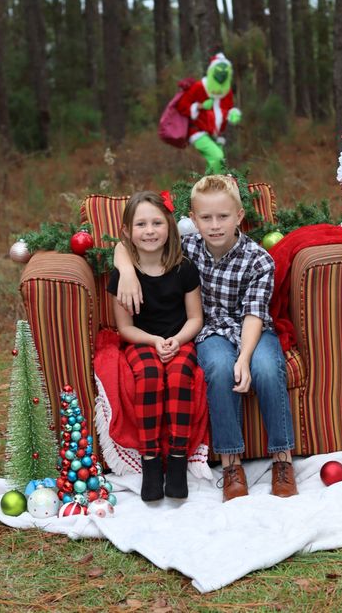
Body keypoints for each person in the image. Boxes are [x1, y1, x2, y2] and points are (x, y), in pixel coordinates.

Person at [114, 176, 298, 502]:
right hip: (210, 330)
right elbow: (129, 244)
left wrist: (245, 357)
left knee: (268, 368)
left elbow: (255, 314)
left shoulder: (258, 259)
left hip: (253, 329)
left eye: (223, 217)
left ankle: (282, 460)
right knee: (217, 368)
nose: (214, 225)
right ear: (193, 219)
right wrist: (126, 270)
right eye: (206, 218)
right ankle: (231, 464)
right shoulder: (188, 247)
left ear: (239, 216)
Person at [107, 190, 203, 502]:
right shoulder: (121, 277)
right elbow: (125, 328)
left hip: (179, 341)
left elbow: (195, 318)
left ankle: (176, 461)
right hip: (142, 341)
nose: (149, 231)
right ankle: (150, 461)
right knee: (148, 376)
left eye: (157, 223)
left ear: (170, 226)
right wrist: (153, 341)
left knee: (178, 377)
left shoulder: (183, 267)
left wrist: (177, 340)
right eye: (141, 224)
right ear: (127, 232)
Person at [175, 53, 241, 173]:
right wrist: (199, 106)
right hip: (198, 132)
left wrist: (232, 114)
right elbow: (182, 105)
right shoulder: (199, 87)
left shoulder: (226, 91)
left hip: (216, 135)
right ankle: (210, 189)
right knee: (217, 157)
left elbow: (227, 108)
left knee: (217, 167)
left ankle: (204, 189)